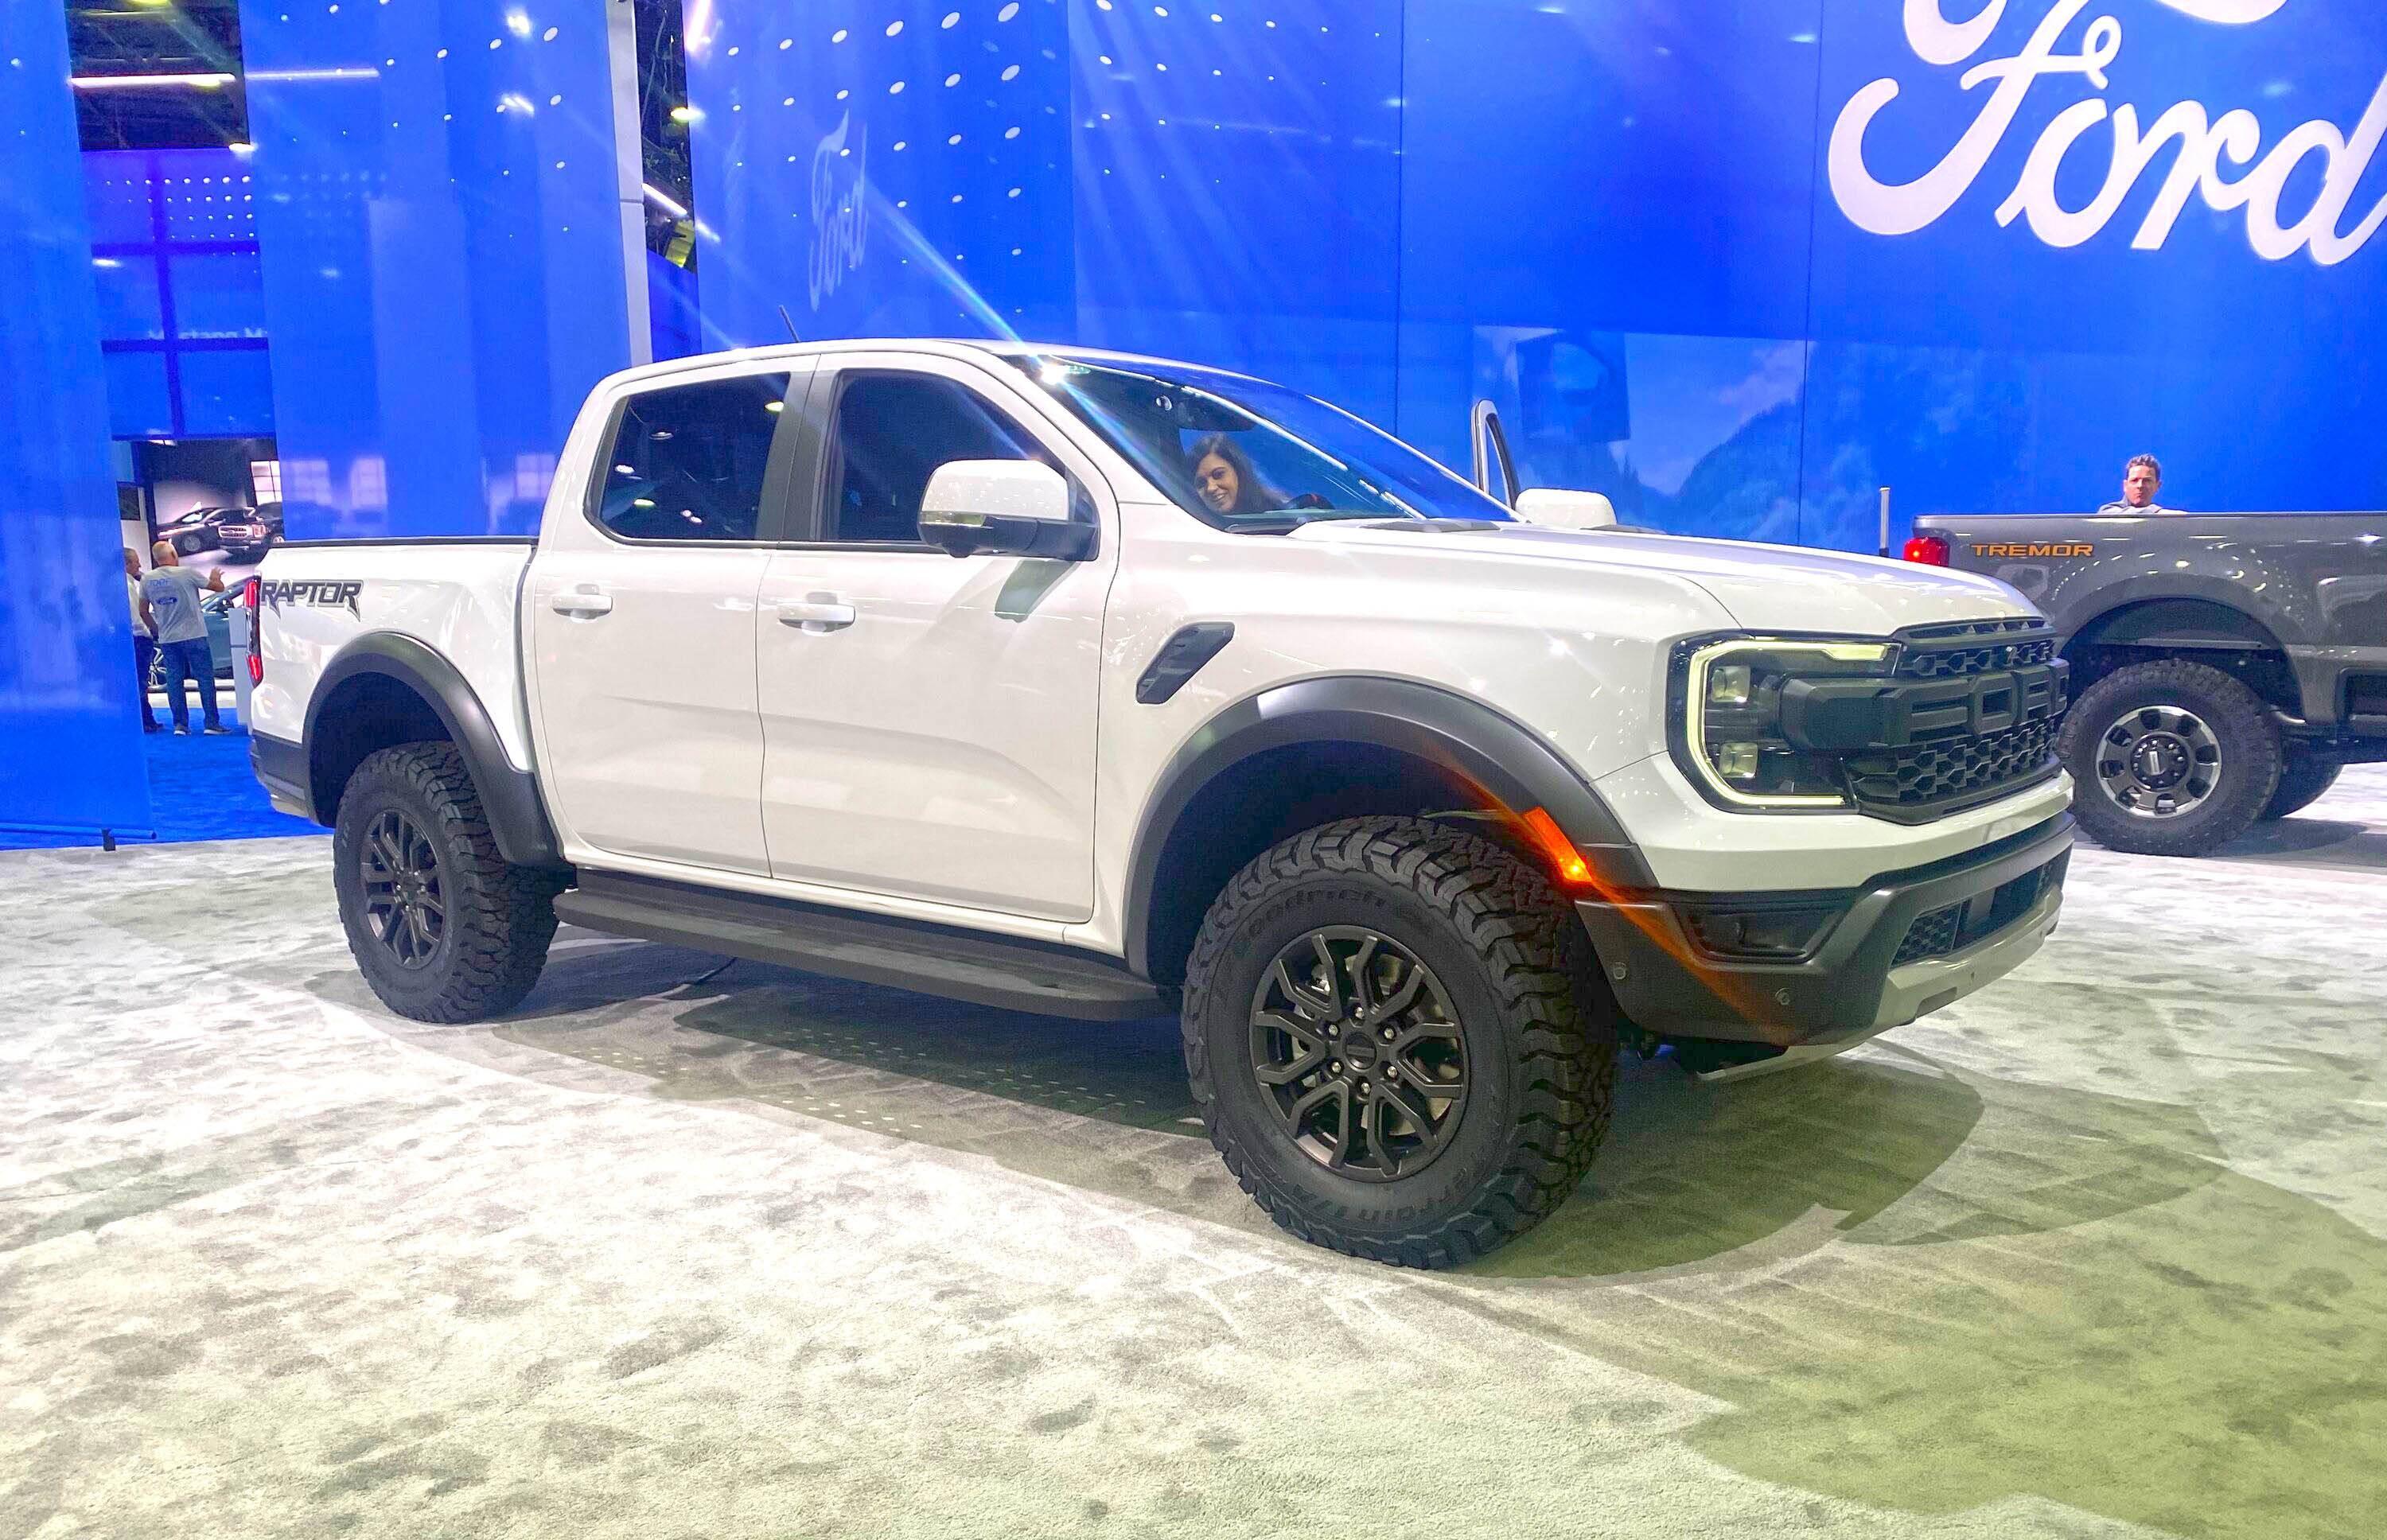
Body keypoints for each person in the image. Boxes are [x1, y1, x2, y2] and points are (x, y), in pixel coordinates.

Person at [141, 539, 228, 735]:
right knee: (205, 679)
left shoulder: (147, 579)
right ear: (172, 555)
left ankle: (180, 725)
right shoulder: (187, 573)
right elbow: (218, 588)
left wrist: (156, 630)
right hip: (194, 634)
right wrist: (215, 577)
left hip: (168, 638)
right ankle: (212, 724)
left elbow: (143, 611)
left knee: (174, 680)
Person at [1187, 434, 1283, 518]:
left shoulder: (1281, 512)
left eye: (1218, 475)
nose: (1210, 488)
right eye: (1201, 483)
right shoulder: (1195, 528)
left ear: (1239, 471)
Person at [123, 548, 161, 733]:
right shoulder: (127, 585)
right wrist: (148, 633)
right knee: (140, 680)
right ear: (127, 564)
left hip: (132, 638)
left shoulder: (120, 583)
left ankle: (146, 719)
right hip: (138, 639)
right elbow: (135, 615)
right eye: (136, 562)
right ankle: (145, 721)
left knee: (138, 680)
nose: (139, 565)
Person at [2098, 454, 2171, 514]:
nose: (2140, 485)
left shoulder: (2164, 522)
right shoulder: (2107, 512)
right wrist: (2158, 513)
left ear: (2158, 486)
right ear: (2125, 486)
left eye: (2147, 481)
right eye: (2134, 480)